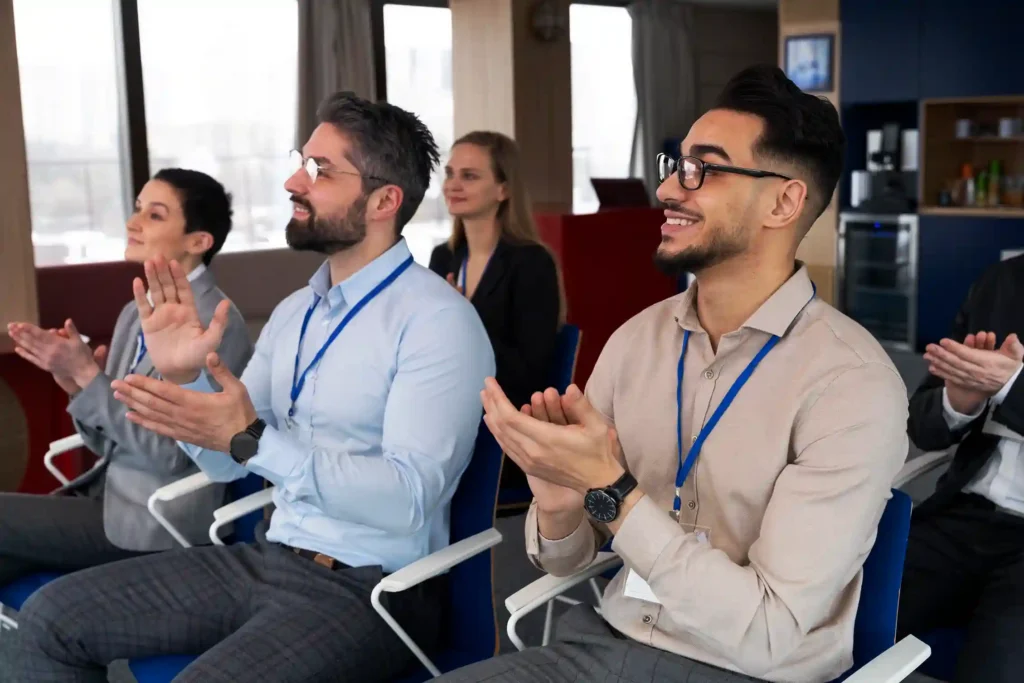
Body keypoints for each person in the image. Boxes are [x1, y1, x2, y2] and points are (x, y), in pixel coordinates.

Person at [439, 65, 909, 683]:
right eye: (675, 163)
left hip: (743, 671)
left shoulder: (851, 384)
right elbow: (563, 561)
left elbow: (768, 634)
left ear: (783, 201)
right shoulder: (637, 342)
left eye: (703, 169)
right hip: (606, 641)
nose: (668, 188)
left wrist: (611, 491)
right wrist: (557, 501)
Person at [4, 93, 495, 682]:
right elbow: (224, 465)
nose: (294, 181)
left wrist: (254, 441)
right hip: (269, 557)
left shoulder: (437, 322)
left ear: (384, 200)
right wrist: (184, 382)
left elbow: (406, 496)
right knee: (50, 619)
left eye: (319, 170)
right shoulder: (294, 312)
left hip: (369, 589)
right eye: (300, 161)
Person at [1, 169, 251, 586]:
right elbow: (108, 442)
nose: (132, 223)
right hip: (108, 500)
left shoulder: (216, 325)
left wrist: (90, 378)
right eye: (137, 210)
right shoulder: (135, 311)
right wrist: (75, 383)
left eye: (154, 215)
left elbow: (170, 455)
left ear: (198, 241)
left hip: (154, 521)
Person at [896, 254, 1024, 683]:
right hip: (963, 513)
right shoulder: (1004, 280)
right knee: (829, 622)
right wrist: (959, 403)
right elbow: (924, 425)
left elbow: (1008, 385)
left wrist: (1010, 385)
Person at [429, 131, 564, 511]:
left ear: (503, 189)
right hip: (451, 415)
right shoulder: (444, 257)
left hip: (506, 433)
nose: (453, 184)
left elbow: (529, 375)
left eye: (469, 176)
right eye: (450, 173)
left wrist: (463, 319)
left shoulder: (532, 263)